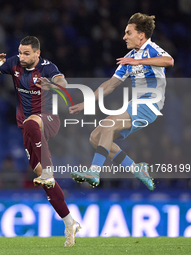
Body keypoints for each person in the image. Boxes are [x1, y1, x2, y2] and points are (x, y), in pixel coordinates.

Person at [0, 36, 80, 247]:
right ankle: (70, 222)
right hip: (27, 126)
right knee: (43, 179)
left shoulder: (47, 68)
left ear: (37, 54)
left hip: (48, 119)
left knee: (33, 125)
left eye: (26, 53)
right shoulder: (13, 63)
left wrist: (54, 86)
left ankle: (48, 170)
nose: (22, 56)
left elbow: (63, 83)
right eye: (20, 52)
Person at [69, 13, 174, 191]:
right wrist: (86, 102)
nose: (124, 37)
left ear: (141, 35)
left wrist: (137, 61)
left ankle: (94, 171)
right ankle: (136, 169)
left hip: (150, 104)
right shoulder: (129, 57)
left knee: (108, 125)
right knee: (95, 137)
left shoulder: (151, 50)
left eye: (128, 33)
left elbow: (169, 61)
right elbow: (110, 85)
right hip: (136, 104)